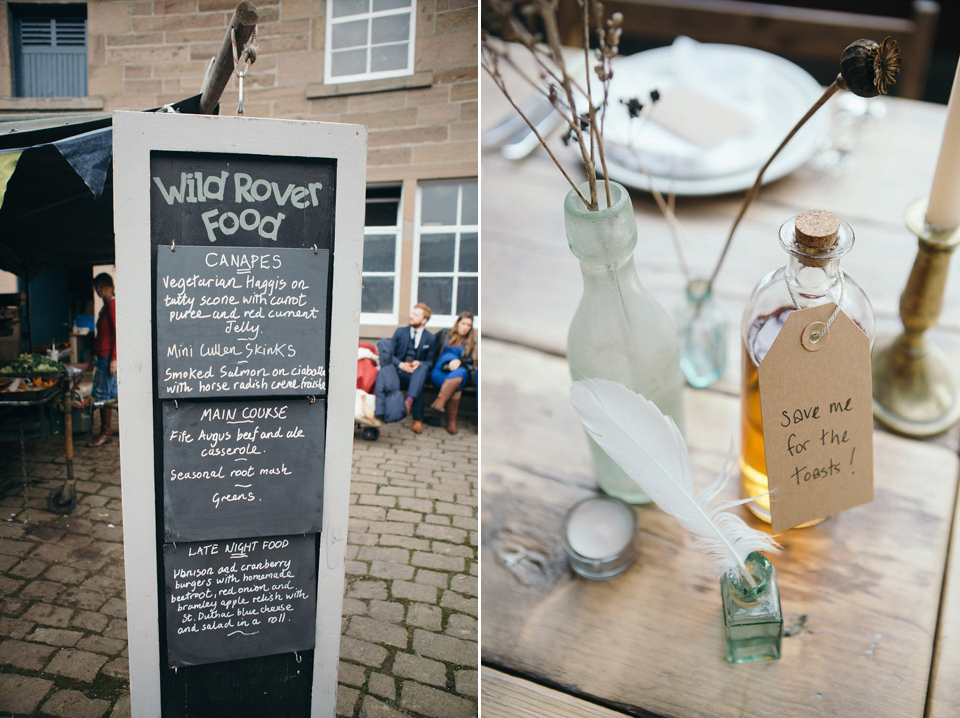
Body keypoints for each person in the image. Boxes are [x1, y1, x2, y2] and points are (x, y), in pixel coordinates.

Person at [387, 303, 435, 434]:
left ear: (424, 320)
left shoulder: (430, 338)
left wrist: (420, 362)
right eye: (412, 313)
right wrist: (401, 365)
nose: (412, 316)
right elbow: (390, 355)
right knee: (418, 381)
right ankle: (417, 417)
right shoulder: (400, 332)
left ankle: (408, 403)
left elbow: (430, 362)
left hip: (416, 373)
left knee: (422, 369)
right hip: (399, 373)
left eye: (416, 315)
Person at [429, 311, 476, 434]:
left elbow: (471, 364)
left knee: (460, 373)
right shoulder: (445, 334)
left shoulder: (471, 343)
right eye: (463, 323)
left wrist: (459, 361)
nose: (465, 327)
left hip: (459, 373)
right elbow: (430, 346)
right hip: (440, 371)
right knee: (456, 385)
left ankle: (439, 402)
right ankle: (451, 422)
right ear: (457, 323)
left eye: (469, 325)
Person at [87, 272, 118, 447]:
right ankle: (113, 429)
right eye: (96, 287)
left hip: (108, 357)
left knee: (102, 396)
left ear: (109, 286)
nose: (98, 290)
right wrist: (92, 352)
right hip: (103, 355)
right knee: (113, 395)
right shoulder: (107, 305)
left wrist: (114, 358)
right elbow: (103, 334)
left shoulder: (112, 304)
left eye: (101, 286)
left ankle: (105, 432)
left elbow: (117, 332)